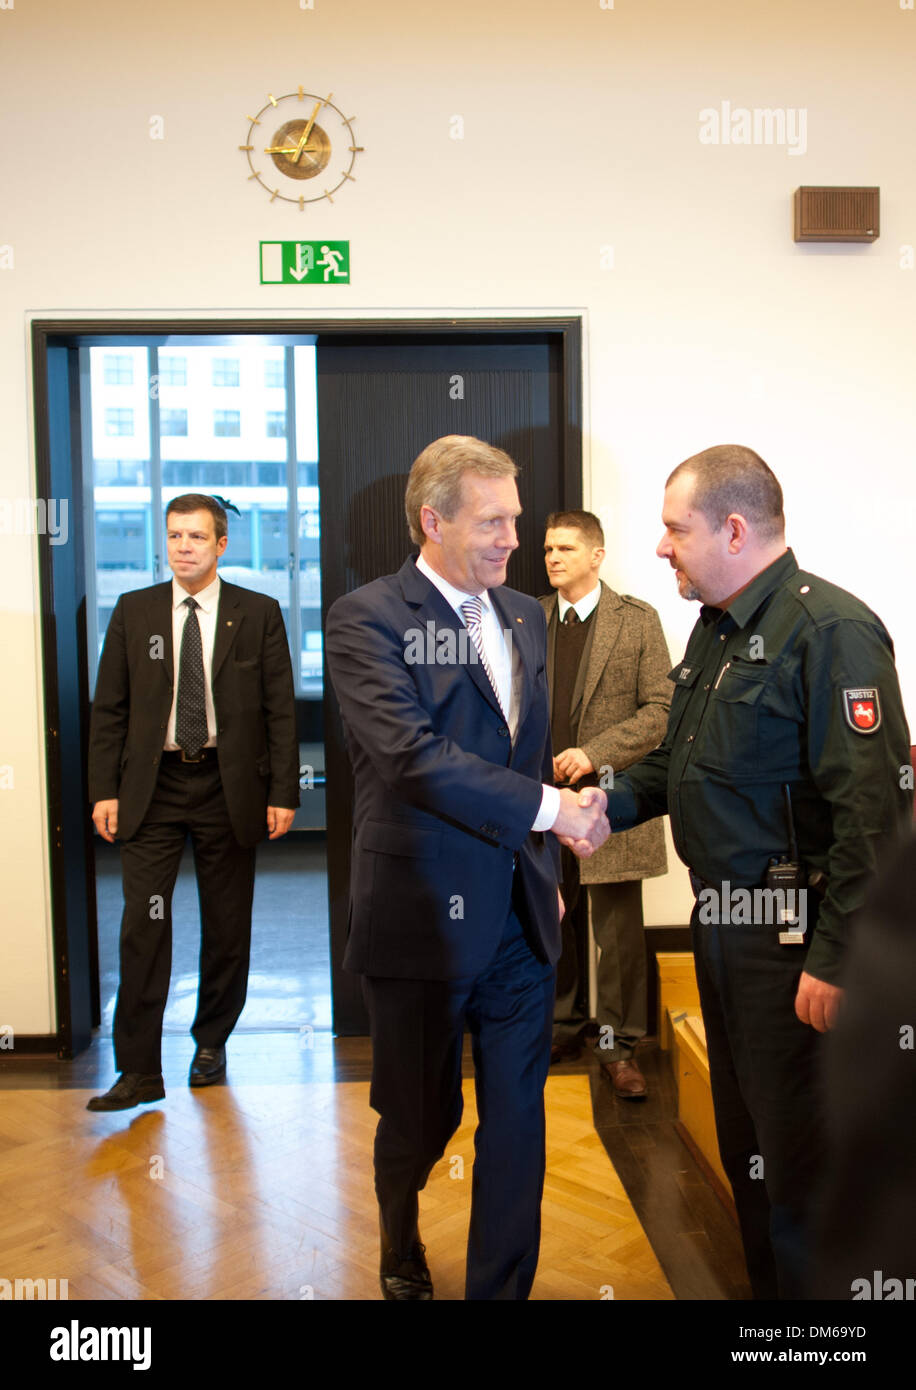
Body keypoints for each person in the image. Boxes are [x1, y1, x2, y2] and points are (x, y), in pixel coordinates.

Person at [604, 445, 911, 1299]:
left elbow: (874, 815)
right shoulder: (718, 627)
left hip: (795, 947)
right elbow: (678, 764)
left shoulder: (832, 633)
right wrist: (607, 805)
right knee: (754, 1161)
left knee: (803, 1172)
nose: (662, 548)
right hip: (726, 932)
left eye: (674, 529)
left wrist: (839, 958)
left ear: (733, 529)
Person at [325, 435, 609, 1301]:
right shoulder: (366, 618)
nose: (514, 539)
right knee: (421, 1118)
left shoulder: (524, 614)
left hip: (521, 916)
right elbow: (413, 759)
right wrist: (555, 813)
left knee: (519, 1120)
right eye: (493, 521)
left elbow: (523, 756)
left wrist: (545, 870)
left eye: (516, 520)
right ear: (432, 520)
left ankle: (499, 1291)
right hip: (420, 916)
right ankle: (400, 1232)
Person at [86, 494, 300, 1111]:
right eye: (175, 536)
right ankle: (138, 1071)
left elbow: (279, 710)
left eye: (196, 537)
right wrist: (105, 790)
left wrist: (284, 792)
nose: (183, 547)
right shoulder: (135, 611)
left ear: (221, 544)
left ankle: (212, 1042)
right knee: (143, 928)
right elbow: (111, 710)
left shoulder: (257, 613)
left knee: (226, 926)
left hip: (224, 788)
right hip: (150, 792)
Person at [541, 511, 671, 1097]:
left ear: (596, 555)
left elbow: (662, 711)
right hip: (541, 803)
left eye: (566, 547)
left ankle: (620, 1046)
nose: (552, 557)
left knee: (616, 936)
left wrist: (592, 752)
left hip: (611, 799)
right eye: (547, 548)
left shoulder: (638, 620)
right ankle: (562, 1026)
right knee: (551, 920)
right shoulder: (525, 617)